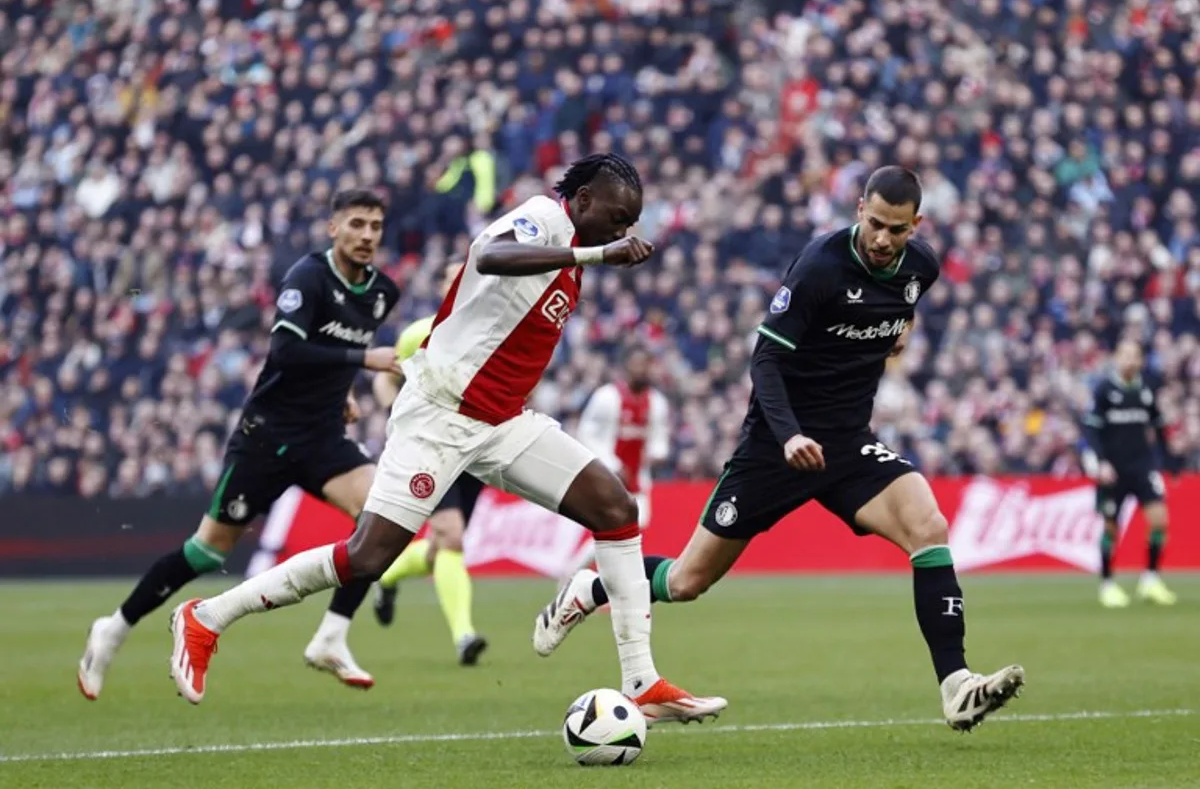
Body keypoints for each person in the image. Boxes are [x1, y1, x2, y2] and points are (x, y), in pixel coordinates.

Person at [167, 153, 727, 724]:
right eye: (616, 216)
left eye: (631, 222)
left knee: (615, 507)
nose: (623, 231)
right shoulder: (543, 219)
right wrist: (595, 251)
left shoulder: (577, 250)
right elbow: (490, 256)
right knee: (369, 556)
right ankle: (207, 615)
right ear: (582, 200)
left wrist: (593, 254)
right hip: (441, 415)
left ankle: (641, 682)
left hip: (504, 422)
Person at [534, 166, 1025, 733]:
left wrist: (901, 331)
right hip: (776, 445)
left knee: (929, 526)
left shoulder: (922, 268)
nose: (883, 239)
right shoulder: (821, 266)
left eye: (896, 228)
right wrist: (790, 434)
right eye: (874, 223)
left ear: (916, 225)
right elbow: (764, 359)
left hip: (846, 445)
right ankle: (592, 585)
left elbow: (900, 308)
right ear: (858, 207)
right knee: (687, 581)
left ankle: (956, 685)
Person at [78, 189, 402, 699]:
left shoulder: (383, 292)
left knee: (382, 518)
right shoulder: (308, 277)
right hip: (267, 436)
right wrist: (361, 365)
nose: (366, 235)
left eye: (375, 226)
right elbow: (288, 350)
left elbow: (339, 346)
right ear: (333, 228)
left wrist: (341, 394)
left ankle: (331, 637)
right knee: (207, 552)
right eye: (356, 224)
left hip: (322, 437)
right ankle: (113, 627)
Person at [370, 261, 490, 666]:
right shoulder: (420, 334)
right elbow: (385, 378)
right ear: (443, 287)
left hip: (475, 452)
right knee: (452, 536)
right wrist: (397, 417)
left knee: (442, 549)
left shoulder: (498, 332)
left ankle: (387, 576)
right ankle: (464, 636)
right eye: (451, 276)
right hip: (431, 450)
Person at [1082, 339, 1177, 608]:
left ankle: (1150, 579)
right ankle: (1108, 584)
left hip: (1142, 466)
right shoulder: (1104, 390)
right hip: (1113, 470)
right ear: (1116, 357)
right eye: (1125, 355)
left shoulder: (1147, 389)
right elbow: (1091, 430)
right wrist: (1101, 462)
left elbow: (1158, 426)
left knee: (1160, 520)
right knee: (1111, 528)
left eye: (1135, 356)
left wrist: (1169, 460)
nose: (1130, 361)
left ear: (1141, 360)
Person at [563, 345, 670, 579]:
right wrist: (612, 463)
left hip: (638, 477)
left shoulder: (657, 402)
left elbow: (659, 438)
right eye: (637, 365)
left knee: (633, 526)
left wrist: (657, 453)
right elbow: (586, 432)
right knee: (617, 528)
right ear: (626, 368)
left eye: (646, 365)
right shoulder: (607, 397)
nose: (642, 370)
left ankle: (580, 573)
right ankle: (587, 575)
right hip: (609, 474)